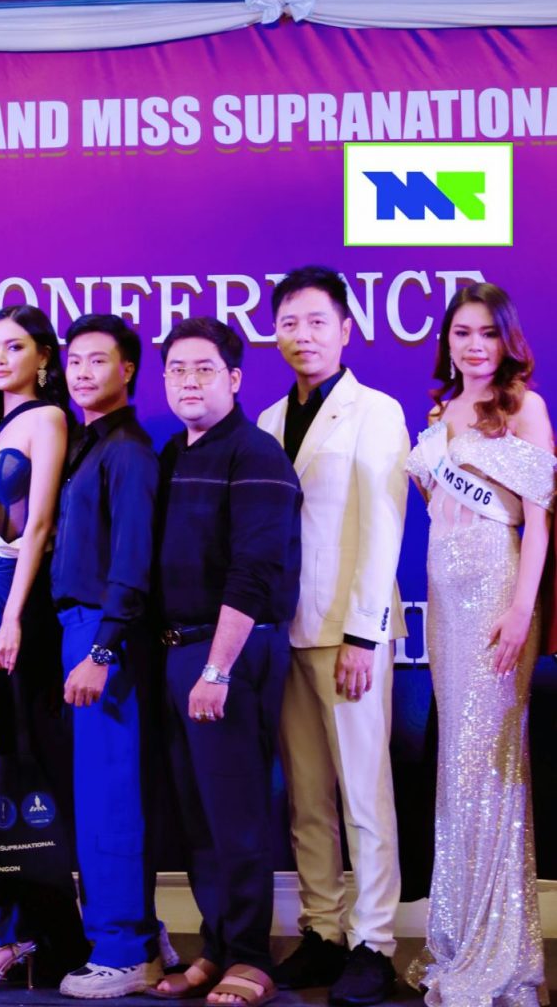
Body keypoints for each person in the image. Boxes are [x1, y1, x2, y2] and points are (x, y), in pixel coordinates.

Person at [258, 266, 408, 1006]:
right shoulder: (265, 420)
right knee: (308, 796)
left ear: (346, 330)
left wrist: (362, 634)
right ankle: (322, 930)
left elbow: (383, 529)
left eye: (317, 321)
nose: (303, 335)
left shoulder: (376, 411)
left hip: (349, 636)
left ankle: (374, 941)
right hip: (283, 633)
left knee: (363, 794)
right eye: (289, 323)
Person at [404, 283, 555, 1006]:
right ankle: (461, 938)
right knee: (454, 772)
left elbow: (539, 521)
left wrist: (522, 609)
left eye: (487, 333)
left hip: (498, 594)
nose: (473, 346)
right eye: (461, 333)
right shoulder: (441, 414)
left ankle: (503, 952)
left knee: (490, 764)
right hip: (444, 599)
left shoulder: (525, 407)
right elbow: (435, 506)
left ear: (507, 340)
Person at [151, 317, 301, 1007]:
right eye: (177, 369)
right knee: (199, 818)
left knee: (236, 814)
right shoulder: (172, 454)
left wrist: (216, 669)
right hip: (177, 651)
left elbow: (256, 567)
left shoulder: (256, 453)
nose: (189, 381)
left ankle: (250, 958)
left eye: (204, 368)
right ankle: (215, 947)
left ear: (235, 379)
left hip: (229, 653)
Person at [0, 304, 88, 992]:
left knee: (28, 770)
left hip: (24, 611)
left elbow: (38, 527)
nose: (0, 358)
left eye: (15, 346)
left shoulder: (48, 419)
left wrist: (12, 620)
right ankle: (9, 926)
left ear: (44, 357)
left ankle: (38, 933)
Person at [50, 314, 162, 998]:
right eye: (75, 361)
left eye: (99, 360)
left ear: (128, 370)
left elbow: (132, 564)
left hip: (105, 637)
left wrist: (101, 650)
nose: (84, 372)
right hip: (81, 630)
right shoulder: (85, 446)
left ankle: (125, 950)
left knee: (111, 799)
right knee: (94, 800)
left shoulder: (129, 452)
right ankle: (136, 936)